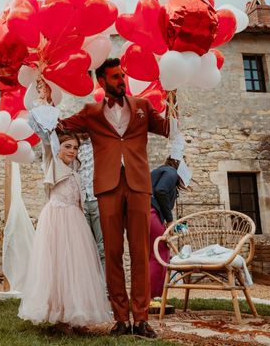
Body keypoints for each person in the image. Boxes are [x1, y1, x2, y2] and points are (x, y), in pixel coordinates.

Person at [58, 58, 170, 338]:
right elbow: (61, 127)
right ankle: (121, 318)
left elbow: (167, 128)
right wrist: (46, 104)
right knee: (113, 254)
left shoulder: (143, 107)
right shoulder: (91, 112)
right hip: (107, 187)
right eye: (116, 77)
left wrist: (174, 107)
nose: (122, 80)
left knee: (141, 253)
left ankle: (142, 318)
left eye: (122, 76)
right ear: (102, 82)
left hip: (138, 186)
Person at [18, 132, 110, 333]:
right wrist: (45, 103)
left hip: (75, 220)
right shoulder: (51, 162)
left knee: (76, 267)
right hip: (56, 220)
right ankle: (60, 317)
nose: (72, 151)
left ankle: (77, 316)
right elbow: (46, 139)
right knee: (58, 266)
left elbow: (77, 197)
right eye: (67, 146)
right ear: (58, 147)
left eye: (75, 148)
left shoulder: (75, 170)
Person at [149, 157, 182, 299]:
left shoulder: (160, 171)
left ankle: (142, 297)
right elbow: (161, 190)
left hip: (143, 212)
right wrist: (169, 220)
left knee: (147, 254)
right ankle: (154, 296)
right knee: (160, 252)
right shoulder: (171, 171)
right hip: (150, 213)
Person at [77, 133, 105, 273]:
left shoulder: (101, 144)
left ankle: (106, 289)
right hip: (80, 202)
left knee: (103, 247)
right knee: (85, 248)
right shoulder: (74, 147)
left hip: (98, 199)